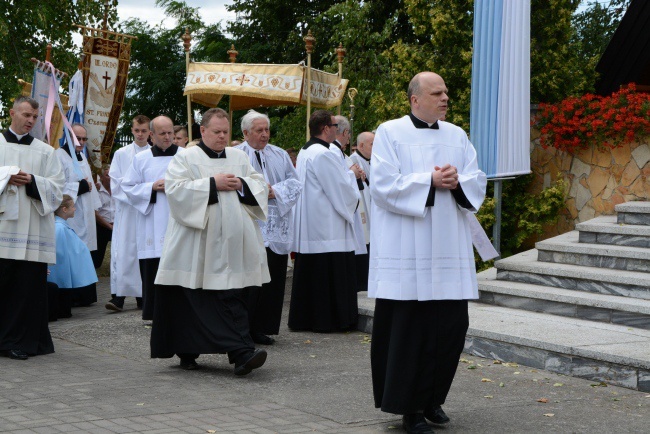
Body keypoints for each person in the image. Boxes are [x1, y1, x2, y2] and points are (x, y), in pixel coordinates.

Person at [369, 72, 487, 434]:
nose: (445, 98)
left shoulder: (457, 134)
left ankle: (433, 399)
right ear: (414, 99)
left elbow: (476, 178)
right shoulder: (389, 132)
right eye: (437, 93)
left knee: (450, 328)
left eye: (446, 92)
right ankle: (409, 409)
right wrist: (430, 181)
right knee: (411, 333)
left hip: (448, 247)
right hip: (409, 250)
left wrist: (458, 180)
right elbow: (383, 185)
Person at [151, 108, 270, 375]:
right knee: (193, 297)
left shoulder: (239, 157)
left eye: (226, 132)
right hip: (197, 244)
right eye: (216, 132)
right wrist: (212, 183)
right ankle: (194, 350)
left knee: (231, 295)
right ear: (202, 131)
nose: (221, 137)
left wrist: (241, 183)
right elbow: (175, 191)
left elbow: (260, 185)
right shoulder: (186, 158)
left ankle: (241, 352)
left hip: (233, 246)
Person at [0, 96, 65, 360]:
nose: (30, 121)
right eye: (26, 115)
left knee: (26, 288)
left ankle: (21, 340)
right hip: (3, 227)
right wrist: (5, 177)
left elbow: (59, 190)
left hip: (33, 229)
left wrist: (33, 180)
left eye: (35, 117)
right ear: (12, 112)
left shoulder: (45, 151)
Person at [288, 110, 360, 332]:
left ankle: (306, 319)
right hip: (327, 227)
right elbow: (339, 188)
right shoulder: (323, 154)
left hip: (312, 223)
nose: (337, 130)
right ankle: (331, 320)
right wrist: (353, 175)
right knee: (329, 275)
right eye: (334, 126)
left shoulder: (306, 150)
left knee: (313, 276)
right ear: (326, 128)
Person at [235, 110, 301, 345]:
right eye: (259, 130)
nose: (265, 135)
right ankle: (243, 329)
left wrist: (276, 192)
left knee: (271, 280)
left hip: (275, 225)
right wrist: (260, 192)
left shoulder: (279, 154)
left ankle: (263, 327)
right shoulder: (236, 155)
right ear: (245, 133)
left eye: (267, 130)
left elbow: (294, 182)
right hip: (250, 225)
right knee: (250, 281)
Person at [123, 116, 181, 321]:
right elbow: (127, 187)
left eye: (170, 133)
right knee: (153, 269)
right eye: (162, 133)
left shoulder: (186, 156)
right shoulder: (141, 159)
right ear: (152, 135)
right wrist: (151, 187)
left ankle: (180, 314)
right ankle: (153, 314)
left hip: (179, 219)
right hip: (153, 222)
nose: (167, 137)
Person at [106, 115, 151, 312]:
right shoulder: (121, 154)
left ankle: (144, 296)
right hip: (127, 210)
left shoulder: (154, 154)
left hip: (147, 210)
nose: (140, 134)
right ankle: (119, 297)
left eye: (144, 131)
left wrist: (142, 191)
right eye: (137, 130)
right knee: (123, 252)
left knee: (144, 250)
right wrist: (136, 192)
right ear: (132, 131)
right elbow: (116, 184)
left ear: (150, 132)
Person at [56, 123, 101, 305]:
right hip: (70, 212)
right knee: (73, 252)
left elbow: (89, 182)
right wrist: (79, 187)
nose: (81, 142)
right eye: (78, 138)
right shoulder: (59, 156)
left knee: (84, 252)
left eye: (84, 139)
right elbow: (57, 185)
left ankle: (86, 295)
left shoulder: (81, 155)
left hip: (85, 211)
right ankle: (73, 295)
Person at [48, 195, 98, 319]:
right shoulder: (59, 228)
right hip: (60, 276)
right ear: (64, 209)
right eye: (73, 206)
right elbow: (59, 255)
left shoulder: (61, 226)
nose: (75, 209)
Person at [349, 131, 374, 292]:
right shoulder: (353, 162)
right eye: (372, 144)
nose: (375, 148)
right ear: (361, 145)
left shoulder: (372, 160)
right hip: (361, 210)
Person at [91, 166, 114, 269]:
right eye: (108, 175)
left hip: (117, 225)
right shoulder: (97, 191)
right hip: (102, 226)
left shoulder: (118, 190)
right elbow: (95, 214)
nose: (111, 177)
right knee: (97, 259)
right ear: (102, 177)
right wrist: (109, 226)